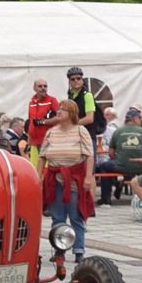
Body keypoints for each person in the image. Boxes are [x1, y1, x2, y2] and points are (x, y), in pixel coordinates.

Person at [39, 98, 95, 259]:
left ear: (71, 114)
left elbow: (89, 156)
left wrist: (89, 177)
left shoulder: (80, 131)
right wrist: (38, 177)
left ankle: (78, 250)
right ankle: (59, 248)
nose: (59, 111)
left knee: (75, 215)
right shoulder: (51, 132)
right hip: (54, 179)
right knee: (57, 216)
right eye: (59, 109)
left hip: (74, 179)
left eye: (63, 109)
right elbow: (42, 157)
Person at [24, 78, 59, 166]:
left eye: (45, 86)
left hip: (48, 141)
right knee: (36, 170)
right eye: (40, 86)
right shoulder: (31, 103)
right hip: (35, 142)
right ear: (34, 88)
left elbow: (60, 118)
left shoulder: (52, 100)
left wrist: (43, 122)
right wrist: (28, 143)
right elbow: (31, 124)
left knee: (47, 169)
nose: (43, 88)